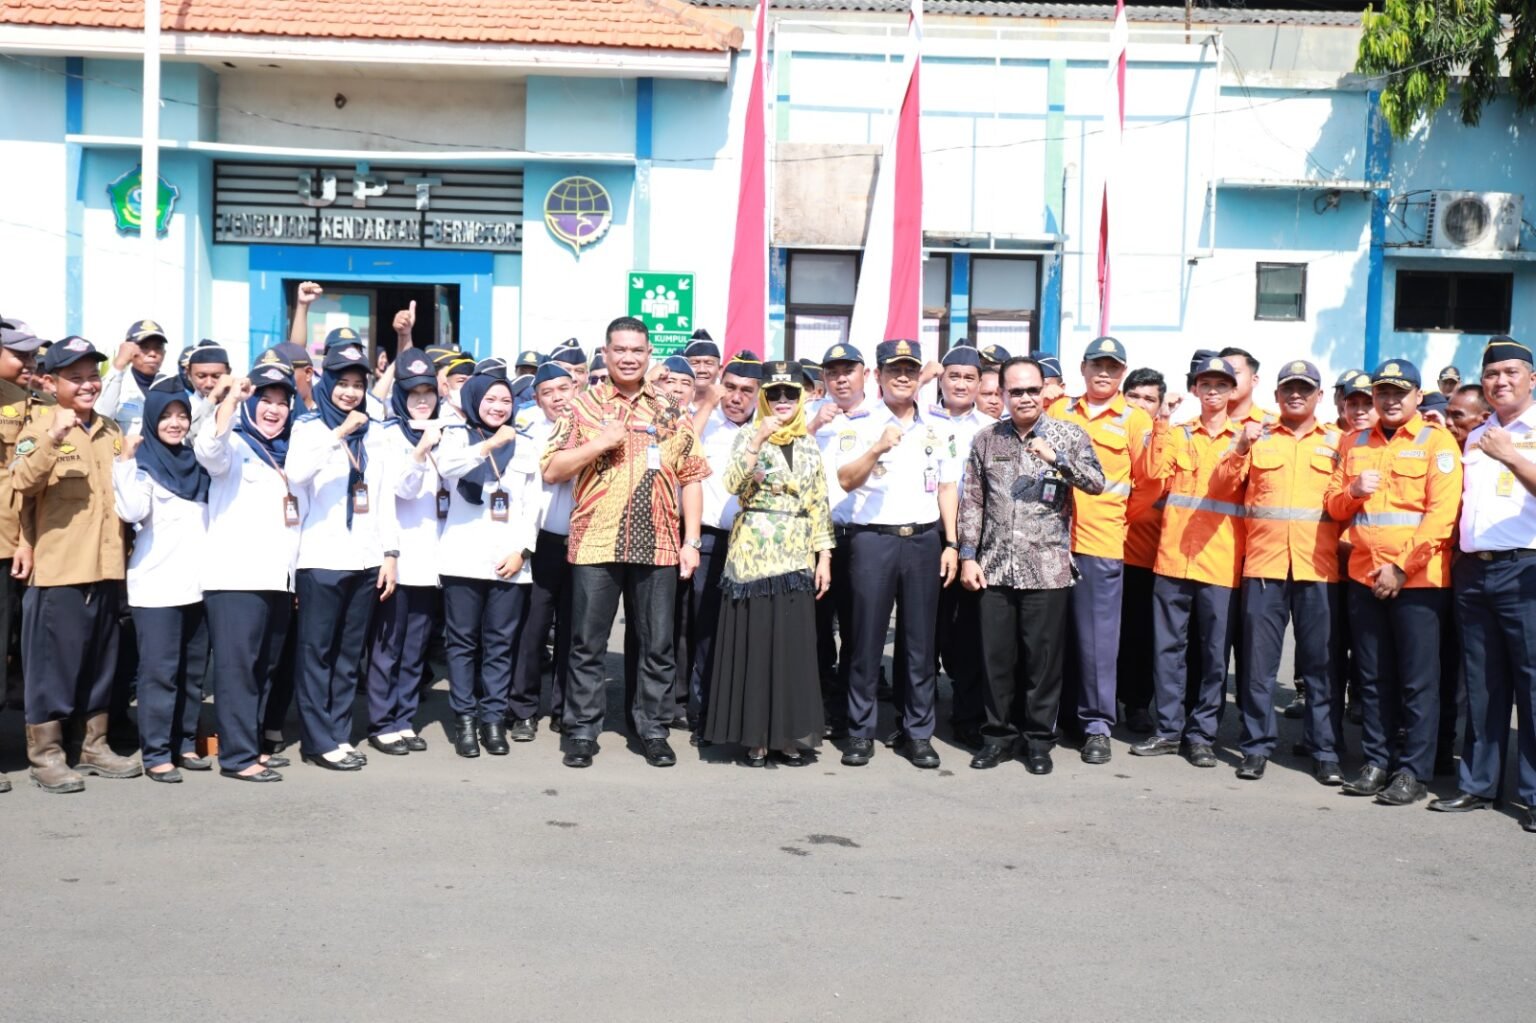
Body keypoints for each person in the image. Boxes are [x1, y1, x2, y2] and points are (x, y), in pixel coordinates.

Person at [543, 316, 708, 769]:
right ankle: (581, 730)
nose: (629, 358)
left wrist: (691, 540)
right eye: (620, 350)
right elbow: (553, 469)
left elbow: (692, 477)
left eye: (637, 350)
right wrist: (600, 443)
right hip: (595, 540)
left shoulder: (670, 410)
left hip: (659, 541)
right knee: (585, 643)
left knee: (657, 644)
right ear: (606, 352)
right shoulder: (582, 406)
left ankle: (653, 729)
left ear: (649, 352)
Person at [1325, 359, 1461, 806]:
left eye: (1399, 393)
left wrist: (1401, 567)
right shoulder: (1354, 440)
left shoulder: (1436, 443)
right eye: (1382, 392)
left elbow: (1441, 517)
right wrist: (1353, 493)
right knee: (1373, 677)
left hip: (1417, 582)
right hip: (1365, 577)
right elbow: (1335, 507)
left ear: (1417, 397)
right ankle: (1376, 761)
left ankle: (1413, 771)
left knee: (1417, 682)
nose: (1388, 400)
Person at [961, 357, 1105, 773]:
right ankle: (997, 737)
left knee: (1043, 662)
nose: (1024, 398)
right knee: (997, 659)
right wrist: (969, 556)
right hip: (995, 566)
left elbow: (1096, 483)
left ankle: (1039, 739)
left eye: (1031, 390)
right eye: (1015, 391)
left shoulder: (1069, 434)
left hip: (1047, 568)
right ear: (1002, 394)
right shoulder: (987, 439)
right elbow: (973, 500)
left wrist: (1057, 457)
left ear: (1045, 391)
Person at [12, 337, 140, 792]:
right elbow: (20, 483)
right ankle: (46, 755)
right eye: (76, 377)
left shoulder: (110, 430)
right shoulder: (39, 427)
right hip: (60, 569)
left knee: (101, 663)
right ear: (51, 383)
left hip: (107, 567)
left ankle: (93, 745)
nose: (88, 385)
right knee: (53, 667)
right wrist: (54, 438)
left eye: (93, 376)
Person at [835, 339, 960, 770]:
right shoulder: (860, 422)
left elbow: (947, 487)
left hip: (924, 541)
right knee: (865, 641)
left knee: (920, 645)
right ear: (877, 375)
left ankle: (917, 732)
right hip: (873, 540)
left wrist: (953, 544)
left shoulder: (938, 425)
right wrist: (875, 449)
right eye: (893, 370)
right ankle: (859, 731)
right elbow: (846, 480)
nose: (902, 376)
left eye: (909, 369)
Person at [702, 360, 834, 764]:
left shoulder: (810, 443)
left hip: (796, 554)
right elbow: (732, 485)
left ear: (801, 398)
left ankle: (788, 736)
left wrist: (824, 555)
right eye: (773, 394)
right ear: (764, 398)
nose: (781, 401)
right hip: (753, 554)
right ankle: (755, 736)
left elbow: (818, 501)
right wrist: (758, 439)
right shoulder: (746, 435)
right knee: (757, 647)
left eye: (789, 394)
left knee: (791, 648)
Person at [1430, 337, 1536, 833]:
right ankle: (1477, 784)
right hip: (1475, 571)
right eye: (1493, 374)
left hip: (1526, 569)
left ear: (1531, 379)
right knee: (1483, 685)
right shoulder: (1477, 433)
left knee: (1530, 685)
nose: (1501, 382)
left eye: (1512, 372)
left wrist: (1514, 457)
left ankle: (1533, 795)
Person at [1225, 360, 1346, 784]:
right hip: (1264, 565)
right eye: (1289, 388)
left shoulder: (1338, 441)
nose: (1296, 395)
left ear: (1319, 395)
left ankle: (1324, 749)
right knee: (1258, 666)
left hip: (1319, 567)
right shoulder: (1258, 436)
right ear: (1277, 395)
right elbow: (1223, 485)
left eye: (1305, 389)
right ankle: (1256, 747)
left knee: (1321, 666)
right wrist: (1240, 446)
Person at [1130, 355, 1245, 768]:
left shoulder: (1244, 438)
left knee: (1213, 656)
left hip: (1219, 561)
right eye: (1205, 384)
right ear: (1195, 389)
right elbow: (1152, 471)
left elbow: (1234, 485)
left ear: (1233, 391)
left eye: (1220, 384)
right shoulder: (1178, 433)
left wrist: (1243, 448)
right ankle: (1167, 729)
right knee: (1167, 650)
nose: (1212, 391)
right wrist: (1161, 419)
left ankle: (1201, 735)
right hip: (1174, 558)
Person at [286, 343, 395, 771]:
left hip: (366, 558)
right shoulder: (310, 428)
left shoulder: (378, 431)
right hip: (322, 557)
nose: (350, 392)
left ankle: (338, 733)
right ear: (326, 382)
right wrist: (339, 434)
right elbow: (296, 474)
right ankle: (317, 740)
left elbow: (384, 496)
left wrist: (390, 553)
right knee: (317, 653)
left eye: (357, 384)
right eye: (343, 383)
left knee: (350, 657)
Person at [1047, 336, 1153, 763]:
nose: (1103, 372)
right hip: (1051, 540)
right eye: (1096, 365)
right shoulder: (1058, 410)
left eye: (1112, 366)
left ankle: (1096, 726)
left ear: (1122, 374)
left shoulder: (1135, 421)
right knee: (1052, 638)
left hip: (1101, 542)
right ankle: (1055, 717)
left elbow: (1147, 485)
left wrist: (1121, 521)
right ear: (1083, 368)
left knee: (1097, 642)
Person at [195, 361, 302, 782]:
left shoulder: (289, 450)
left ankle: (250, 742)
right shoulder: (235, 444)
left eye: (282, 402)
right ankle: (238, 757)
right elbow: (208, 450)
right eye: (265, 401)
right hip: (236, 579)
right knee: (238, 669)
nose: (273, 410)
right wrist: (229, 404)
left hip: (277, 577)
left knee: (264, 668)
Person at [112, 381, 210, 783]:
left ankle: (184, 743)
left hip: (199, 584)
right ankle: (155, 752)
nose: (175, 423)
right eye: (166, 415)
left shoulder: (196, 462)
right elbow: (131, 509)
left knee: (192, 673)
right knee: (160, 672)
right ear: (152, 419)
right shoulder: (144, 462)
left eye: (182, 415)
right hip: (156, 586)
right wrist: (124, 463)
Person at [434, 372, 535, 758]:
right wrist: (490, 444)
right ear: (475, 399)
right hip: (462, 559)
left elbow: (532, 504)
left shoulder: (524, 443)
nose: (498, 407)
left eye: (505, 401)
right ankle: (464, 720)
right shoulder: (457, 436)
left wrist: (522, 551)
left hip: (508, 561)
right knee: (461, 644)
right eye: (490, 399)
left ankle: (493, 719)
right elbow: (448, 468)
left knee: (500, 644)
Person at [364, 350, 442, 756]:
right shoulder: (386, 435)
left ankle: (403, 717)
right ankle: (381, 721)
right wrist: (420, 450)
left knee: (416, 647)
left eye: (429, 392)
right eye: (414, 394)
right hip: (397, 554)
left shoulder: (445, 432)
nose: (423, 401)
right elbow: (399, 490)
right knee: (388, 645)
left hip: (431, 559)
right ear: (400, 396)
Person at [684, 357, 761, 736]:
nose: (737, 397)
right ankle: (704, 711)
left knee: (748, 630)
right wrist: (708, 404)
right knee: (707, 628)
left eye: (747, 390)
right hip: (712, 539)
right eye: (730, 387)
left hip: (755, 545)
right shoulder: (705, 422)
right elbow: (681, 451)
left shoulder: (767, 431)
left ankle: (742, 711)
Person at [509, 362, 578, 740]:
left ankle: (565, 709)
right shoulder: (527, 432)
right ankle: (522, 709)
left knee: (574, 630)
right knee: (532, 630)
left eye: (563, 389)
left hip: (583, 542)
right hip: (540, 543)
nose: (558, 398)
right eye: (548, 393)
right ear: (536, 399)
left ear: (576, 389)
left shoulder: (592, 425)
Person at [809, 343, 872, 737]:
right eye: (832, 373)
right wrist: (814, 424)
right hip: (818, 534)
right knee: (816, 627)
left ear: (865, 373)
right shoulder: (810, 419)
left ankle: (852, 712)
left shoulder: (883, 417)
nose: (841, 379)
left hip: (863, 535)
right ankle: (819, 706)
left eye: (847, 371)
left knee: (856, 627)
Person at [0, 325, 45, 743]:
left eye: (33, 356)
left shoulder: (27, 403)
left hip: (13, 540)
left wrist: (26, 540)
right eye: (19, 355)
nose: (28, 363)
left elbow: (25, 482)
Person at [1117, 368, 1168, 732]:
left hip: (1147, 559)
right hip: (1104, 551)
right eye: (1133, 397)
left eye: (1149, 399)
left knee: (1140, 637)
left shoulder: (1168, 443)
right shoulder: (1108, 437)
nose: (1139, 405)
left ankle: (1136, 704)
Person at [98, 319, 173, 436]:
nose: (152, 354)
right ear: (129, 350)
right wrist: (119, 364)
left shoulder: (172, 387)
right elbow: (102, 417)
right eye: (145, 347)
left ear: (164, 353)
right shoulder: (117, 384)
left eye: (158, 347)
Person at [1220, 346, 1274, 425]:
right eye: (1222, 374)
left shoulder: (1275, 425)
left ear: (1254, 380)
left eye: (1235, 373)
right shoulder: (1199, 427)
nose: (1227, 379)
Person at [685, 332, 722, 409]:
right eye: (695, 363)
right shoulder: (672, 407)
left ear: (719, 370)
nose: (702, 370)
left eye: (709, 363)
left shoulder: (729, 410)